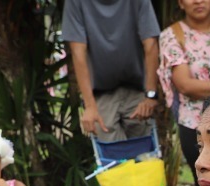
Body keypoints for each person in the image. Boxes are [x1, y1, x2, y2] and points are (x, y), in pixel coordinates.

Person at [158, 0, 210, 186]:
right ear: (181, 3)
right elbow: (185, 85)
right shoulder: (173, 35)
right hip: (196, 126)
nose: (198, 1)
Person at [63, 0, 160, 141]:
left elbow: (151, 44)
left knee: (145, 156)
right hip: (101, 97)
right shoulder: (75, 2)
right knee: (113, 159)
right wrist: (89, 106)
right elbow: (78, 53)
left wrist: (150, 96)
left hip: (137, 92)